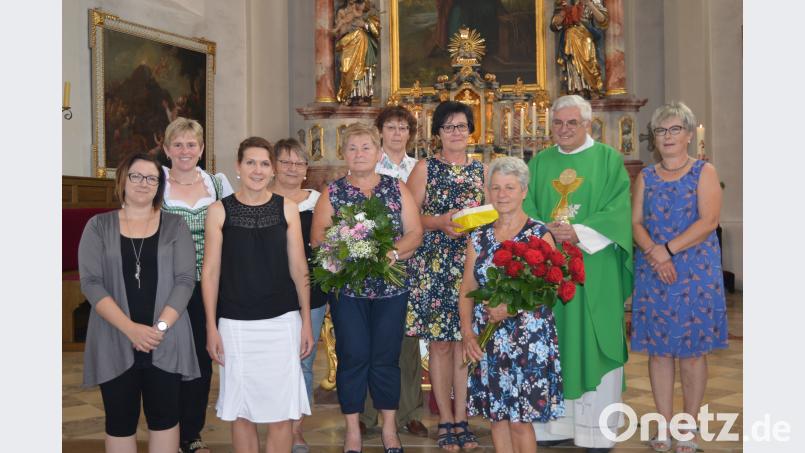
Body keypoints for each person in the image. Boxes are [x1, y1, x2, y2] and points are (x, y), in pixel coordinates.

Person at [524, 94, 632, 453]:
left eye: (572, 123)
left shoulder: (609, 160)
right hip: (549, 268)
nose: (565, 129)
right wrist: (548, 233)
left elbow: (618, 211)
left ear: (588, 124)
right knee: (552, 342)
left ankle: (596, 432)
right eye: (558, 122)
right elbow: (527, 211)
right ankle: (554, 428)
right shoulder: (539, 163)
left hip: (595, 269)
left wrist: (577, 232)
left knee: (594, 339)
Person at [311, 122, 423, 453]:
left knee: (386, 358)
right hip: (348, 292)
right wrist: (347, 248)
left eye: (366, 147)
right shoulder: (333, 192)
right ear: (343, 153)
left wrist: (391, 252)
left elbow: (414, 233)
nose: (359, 154)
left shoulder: (396, 188)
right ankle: (353, 431)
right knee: (353, 356)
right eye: (353, 148)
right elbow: (317, 238)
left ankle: (389, 428)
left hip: (391, 291)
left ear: (378, 152)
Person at [78, 152, 199, 453]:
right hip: (113, 337)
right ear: (123, 179)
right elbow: (91, 283)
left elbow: (186, 280)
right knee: (119, 420)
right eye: (136, 176)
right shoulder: (97, 226)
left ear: (160, 186)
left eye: (152, 179)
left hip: (165, 339)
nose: (144, 183)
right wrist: (131, 329)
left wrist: (158, 328)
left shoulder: (176, 226)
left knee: (165, 419)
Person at [201, 137, 314, 453]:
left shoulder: (288, 209)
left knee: (280, 413)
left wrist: (306, 321)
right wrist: (211, 326)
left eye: (264, 163)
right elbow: (209, 274)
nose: (257, 169)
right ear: (238, 167)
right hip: (236, 324)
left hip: (282, 321)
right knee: (242, 413)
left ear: (273, 170)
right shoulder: (218, 211)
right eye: (250, 162)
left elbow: (299, 269)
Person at [630, 102, 728, 453]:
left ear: (688, 134)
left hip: (693, 274)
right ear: (654, 138)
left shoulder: (704, 171)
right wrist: (655, 254)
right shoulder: (646, 176)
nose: (667, 137)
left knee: (691, 353)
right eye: (660, 130)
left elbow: (709, 221)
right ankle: (663, 426)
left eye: (674, 129)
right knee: (659, 353)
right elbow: (636, 222)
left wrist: (665, 250)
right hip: (655, 273)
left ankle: (687, 429)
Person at [459, 157, 565, 453]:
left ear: (523, 191)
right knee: (497, 417)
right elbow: (468, 287)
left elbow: (550, 288)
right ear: (487, 192)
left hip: (528, 340)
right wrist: (468, 334)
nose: (502, 194)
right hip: (489, 339)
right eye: (495, 188)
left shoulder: (538, 234)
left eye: (509, 187)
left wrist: (511, 308)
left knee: (520, 420)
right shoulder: (478, 236)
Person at [405, 101, 486, 451]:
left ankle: (463, 418)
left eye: (462, 126)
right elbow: (408, 218)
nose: (456, 132)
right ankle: (445, 421)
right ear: (437, 133)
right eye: (448, 126)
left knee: (464, 345)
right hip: (434, 264)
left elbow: (494, 213)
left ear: (471, 131)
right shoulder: (426, 168)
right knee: (439, 346)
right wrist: (440, 222)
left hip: (470, 265)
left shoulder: (482, 171)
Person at [159, 117, 234, 453]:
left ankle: (191, 434)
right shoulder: (155, 182)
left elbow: (234, 230)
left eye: (191, 144)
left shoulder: (217, 185)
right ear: (166, 149)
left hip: (208, 285)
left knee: (202, 361)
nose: (185, 151)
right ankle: (167, 430)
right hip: (165, 285)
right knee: (166, 357)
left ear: (202, 149)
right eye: (178, 144)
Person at [358, 106, 430, 439]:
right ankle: (369, 412)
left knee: (407, 340)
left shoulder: (420, 167)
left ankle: (411, 411)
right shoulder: (369, 163)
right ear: (380, 131)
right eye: (391, 127)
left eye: (403, 128)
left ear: (410, 133)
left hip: (411, 259)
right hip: (374, 262)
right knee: (372, 339)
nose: (397, 133)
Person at [265, 138, 328, 453]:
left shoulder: (317, 201)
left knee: (303, 361)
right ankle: (276, 426)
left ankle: (296, 430)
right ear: (275, 165)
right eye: (286, 161)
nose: (292, 168)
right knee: (273, 362)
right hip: (268, 292)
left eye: (299, 163)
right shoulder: (260, 198)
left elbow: (329, 245)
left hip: (311, 292)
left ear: (306, 169)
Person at [550, 0, 609, 98]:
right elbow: (555, 25)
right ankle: (577, 88)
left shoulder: (594, 1)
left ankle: (593, 88)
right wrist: (560, 17)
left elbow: (603, 20)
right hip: (570, 37)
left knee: (588, 60)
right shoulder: (566, 2)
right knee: (572, 61)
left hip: (586, 35)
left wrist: (590, 4)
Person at [333, 0, 380, 104]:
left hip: (363, 47)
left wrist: (364, 25)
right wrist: (345, 26)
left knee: (362, 71)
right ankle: (348, 95)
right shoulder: (342, 12)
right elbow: (339, 34)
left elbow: (376, 32)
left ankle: (361, 96)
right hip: (349, 45)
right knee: (347, 68)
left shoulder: (368, 14)